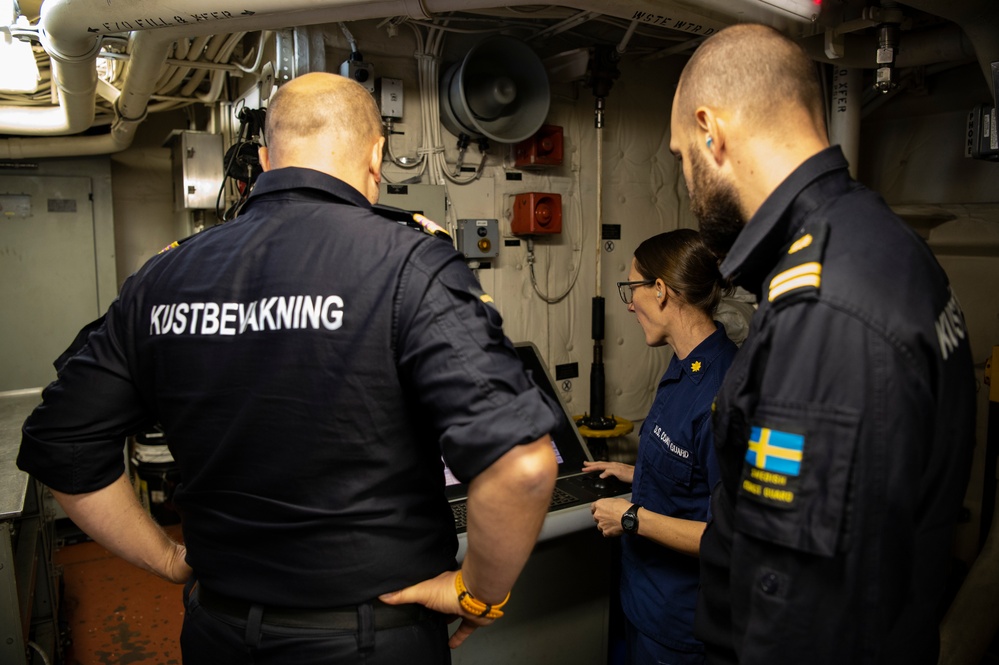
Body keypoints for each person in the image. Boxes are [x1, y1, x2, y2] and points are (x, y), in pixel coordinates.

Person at [17, 72, 560, 665]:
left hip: (218, 631)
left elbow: (61, 440)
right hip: (372, 637)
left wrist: (168, 558)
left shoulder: (163, 277)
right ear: (376, 156)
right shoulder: (408, 264)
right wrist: (476, 593)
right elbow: (522, 466)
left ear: (264, 157)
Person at [668, 23, 976, 665]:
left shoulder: (825, 310)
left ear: (710, 131)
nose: (687, 182)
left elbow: (804, 612)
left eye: (680, 158)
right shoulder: (886, 244)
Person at [585, 228, 737, 664]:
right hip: (642, 601)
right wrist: (636, 474)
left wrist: (630, 517)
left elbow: (728, 536)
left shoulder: (724, 391)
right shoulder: (683, 366)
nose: (630, 304)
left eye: (633, 290)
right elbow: (696, 472)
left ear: (660, 290)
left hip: (680, 625)